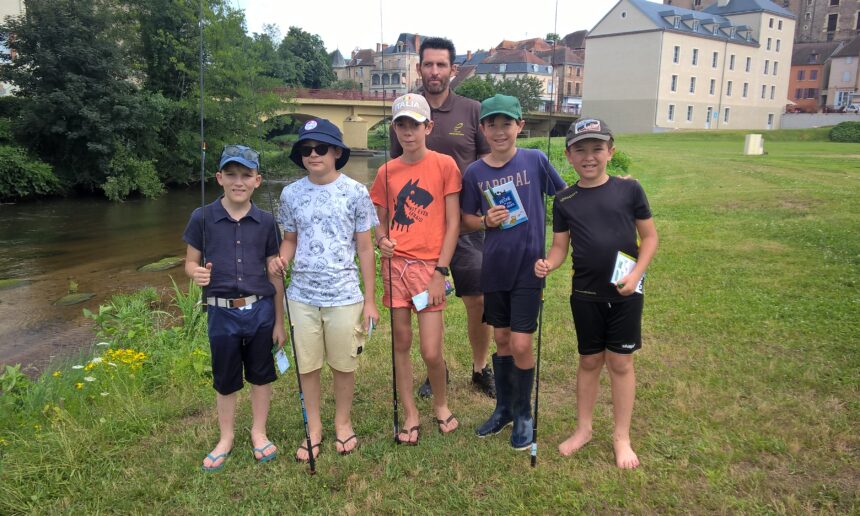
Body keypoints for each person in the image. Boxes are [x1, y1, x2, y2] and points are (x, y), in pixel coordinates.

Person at [535, 118, 658, 469]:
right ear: (569, 156)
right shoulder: (564, 199)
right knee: (589, 360)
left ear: (611, 151)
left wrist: (636, 274)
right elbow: (560, 247)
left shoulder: (629, 190)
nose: (589, 157)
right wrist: (548, 263)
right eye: (581, 150)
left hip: (626, 290)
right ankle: (584, 428)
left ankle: (622, 436)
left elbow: (649, 238)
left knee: (620, 362)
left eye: (597, 149)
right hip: (584, 293)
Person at [269, 119, 379, 462]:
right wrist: (280, 260)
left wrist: (371, 301)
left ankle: (342, 422)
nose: (312, 155)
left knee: (344, 365)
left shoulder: (357, 192)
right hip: (301, 296)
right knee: (308, 366)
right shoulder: (290, 194)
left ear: (336, 152)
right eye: (305, 150)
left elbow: (365, 248)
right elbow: (290, 240)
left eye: (319, 148)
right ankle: (313, 427)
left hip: (345, 295)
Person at [390, 36, 494, 398]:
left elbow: (490, 163)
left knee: (476, 297)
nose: (434, 71)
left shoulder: (472, 110)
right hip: (416, 231)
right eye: (428, 65)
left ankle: (481, 367)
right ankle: (436, 368)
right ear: (418, 68)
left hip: (462, 225)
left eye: (441, 65)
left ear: (452, 69)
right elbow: (392, 173)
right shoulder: (405, 110)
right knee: (422, 302)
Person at [460, 94, 566, 450]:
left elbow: (565, 197)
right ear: (483, 128)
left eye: (507, 123)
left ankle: (523, 413)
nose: (500, 131)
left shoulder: (535, 160)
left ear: (520, 125)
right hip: (495, 270)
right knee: (502, 339)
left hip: (528, 270)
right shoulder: (475, 172)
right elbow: (465, 220)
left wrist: (611, 183)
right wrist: (484, 220)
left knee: (521, 342)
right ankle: (503, 408)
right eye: (492, 124)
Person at [183, 144, 286, 472]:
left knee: (260, 375)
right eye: (231, 174)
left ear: (257, 180)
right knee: (225, 378)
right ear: (219, 178)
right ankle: (225, 437)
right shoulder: (202, 217)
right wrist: (194, 273)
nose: (238, 181)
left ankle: (259, 431)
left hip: (261, 311)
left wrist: (279, 322)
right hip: (220, 312)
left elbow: (274, 273)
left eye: (246, 175)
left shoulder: (267, 221)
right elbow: (189, 262)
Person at [371, 93, 461, 443]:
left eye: (415, 124)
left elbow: (453, 223)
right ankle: (410, 412)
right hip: (395, 269)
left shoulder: (444, 165)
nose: (408, 132)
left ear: (429, 126)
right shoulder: (386, 172)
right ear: (394, 129)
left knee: (431, 349)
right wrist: (381, 240)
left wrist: (441, 270)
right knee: (402, 342)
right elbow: (376, 219)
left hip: (429, 270)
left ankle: (440, 403)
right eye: (402, 125)